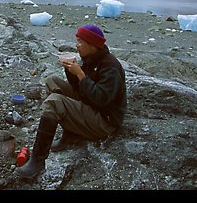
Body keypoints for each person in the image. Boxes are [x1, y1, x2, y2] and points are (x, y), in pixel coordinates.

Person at [15, 24, 127, 181]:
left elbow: (101, 100)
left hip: (105, 121)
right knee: (52, 81)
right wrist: (70, 70)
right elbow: (81, 90)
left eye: (80, 42)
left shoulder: (110, 67)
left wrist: (80, 74)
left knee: (54, 102)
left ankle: (37, 161)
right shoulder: (92, 59)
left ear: (92, 45)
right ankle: (72, 133)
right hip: (92, 107)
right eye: (77, 41)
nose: (77, 45)